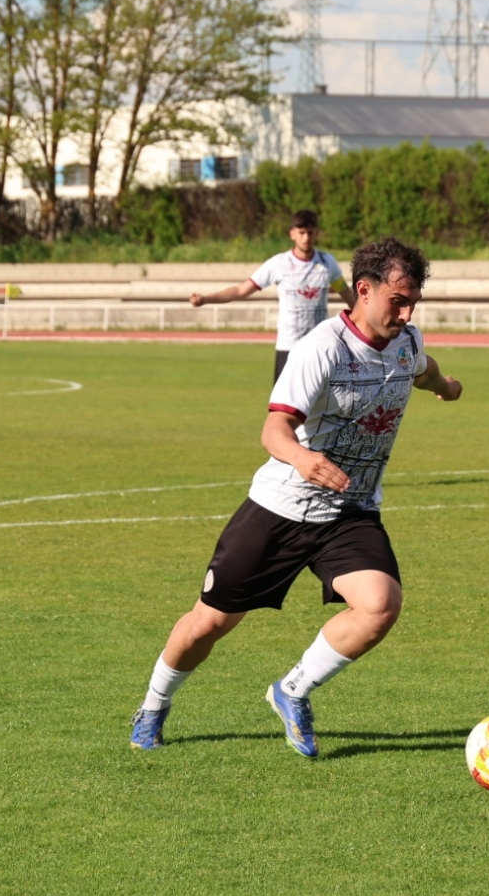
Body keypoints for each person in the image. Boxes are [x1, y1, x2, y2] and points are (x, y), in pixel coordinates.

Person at [131, 237, 462, 756]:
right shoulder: (322, 348)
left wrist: (447, 387)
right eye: (398, 300)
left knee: (380, 605)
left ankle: (292, 690)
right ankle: (153, 705)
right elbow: (274, 430)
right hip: (281, 507)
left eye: (413, 302)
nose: (406, 313)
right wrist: (303, 459)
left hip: (349, 510)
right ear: (364, 290)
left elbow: (425, 370)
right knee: (209, 623)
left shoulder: (408, 342)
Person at [190, 209, 356, 383]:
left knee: (324, 399)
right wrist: (206, 299)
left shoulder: (327, 262)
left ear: (316, 233)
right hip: (289, 346)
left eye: (310, 232)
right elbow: (241, 290)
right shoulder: (279, 263)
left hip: (319, 346)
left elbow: (345, 293)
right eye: (301, 232)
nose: (306, 238)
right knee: (285, 400)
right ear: (292, 234)